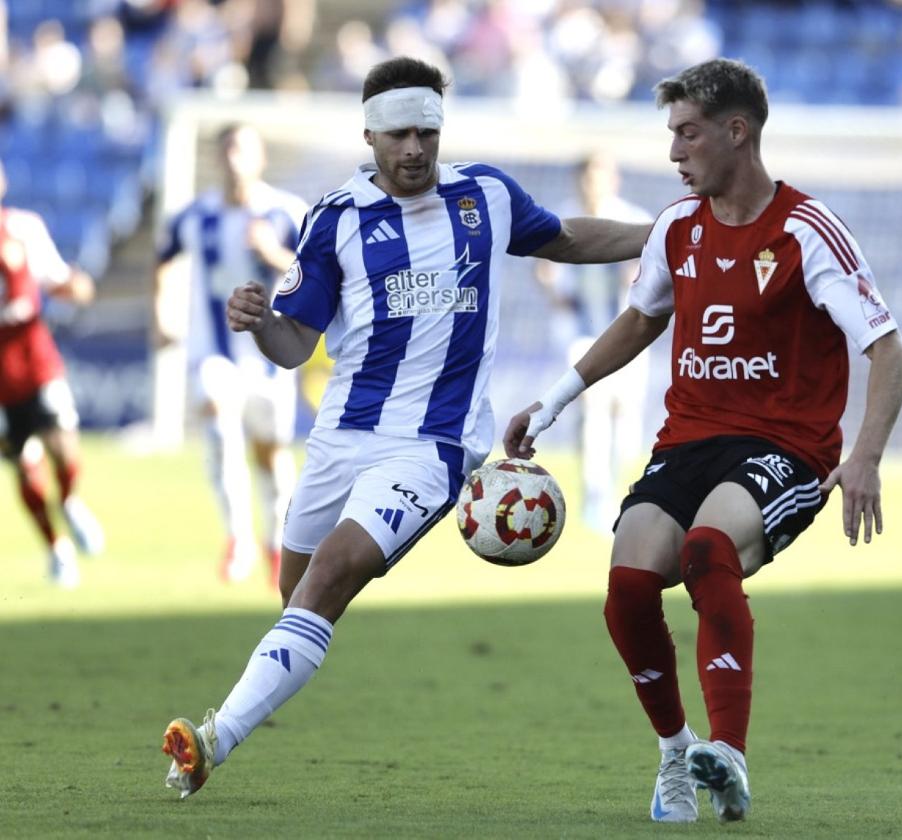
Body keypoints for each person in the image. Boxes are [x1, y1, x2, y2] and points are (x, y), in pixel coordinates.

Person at [159, 56, 651, 800]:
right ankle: (257, 695)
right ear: (370, 134)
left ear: (440, 130)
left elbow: (568, 238)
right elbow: (297, 345)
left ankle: (211, 740)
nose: (413, 148)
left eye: (426, 132)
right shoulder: (335, 218)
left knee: (327, 575)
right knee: (298, 592)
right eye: (397, 135)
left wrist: (666, 231)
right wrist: (262, 326)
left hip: (434, 446)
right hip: (340, 436)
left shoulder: (486, 195)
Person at [504, 58, 902, 824]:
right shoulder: (677, 229)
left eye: (687, 134)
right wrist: (554, 401)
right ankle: (674, 757)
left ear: (737, 131)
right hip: (686, 441)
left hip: (785, 445)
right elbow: (639, 320)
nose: (673, 152)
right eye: (671, 135)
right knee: (627, 588)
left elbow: (889, 351)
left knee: (705, 553)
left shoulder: (804, 231)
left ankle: (729, 753)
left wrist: (865, 456)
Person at [154, 123, 306, 585]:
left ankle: (274, 543)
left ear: (260, 158)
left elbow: (314, 272)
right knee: (218, 423)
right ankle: (236, 537)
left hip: (270, 355)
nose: (235, 158)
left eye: (244, 149)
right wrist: (162, 315)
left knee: (270, 455)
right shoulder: (194, 215)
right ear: (218, 158)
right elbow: (162, 259)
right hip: (213, 351)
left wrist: (272, 252)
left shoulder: (287, 212)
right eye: (228, 150)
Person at [0, 159, 105, 588]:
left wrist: (74, 286)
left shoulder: (24, 227)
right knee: (23, 464)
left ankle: (72, 500)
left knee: (62, 443)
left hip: (34, 354)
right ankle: (56, 550)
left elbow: (56, 278)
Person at [535, 152, 653, 531]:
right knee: (593, 403)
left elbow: (652, 273)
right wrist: (551, 288)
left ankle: (616, 490)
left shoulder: (633, 219)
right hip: (579, 331)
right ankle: (595, 495)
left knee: (625, 413)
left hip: (627, 330)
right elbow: (543, 266)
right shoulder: (563, 219)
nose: (594, 184)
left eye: (601, 176)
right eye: (588, 177)